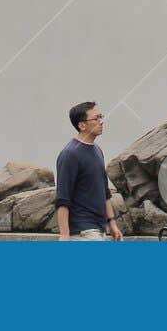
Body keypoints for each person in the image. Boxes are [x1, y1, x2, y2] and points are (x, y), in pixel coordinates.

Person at [54, 101, 122, 241]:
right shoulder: (70, 154)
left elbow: (105, 192)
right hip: (82, 232)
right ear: (82, 125)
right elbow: (62, 198)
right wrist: (64, 235)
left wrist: (112, 224)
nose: (101, 122)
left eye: (101, 117)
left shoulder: (97, 150)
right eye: (96, 118)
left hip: (99, 230)